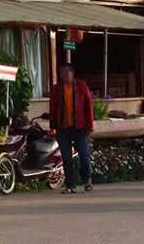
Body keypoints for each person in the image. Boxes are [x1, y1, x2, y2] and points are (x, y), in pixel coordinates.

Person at [48, 63, 94, 193]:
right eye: (61, 73)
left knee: (84, 155)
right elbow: (53, 107)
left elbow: (88, 107)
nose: (63, 75)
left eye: (66, 72)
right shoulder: (56, 89)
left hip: (79, 128)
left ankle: (87, 180)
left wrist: (89, 126)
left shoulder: (81, 86)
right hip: (63, 128)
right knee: (67, 158)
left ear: (72, 73)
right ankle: (70, 185)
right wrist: (53, 126)